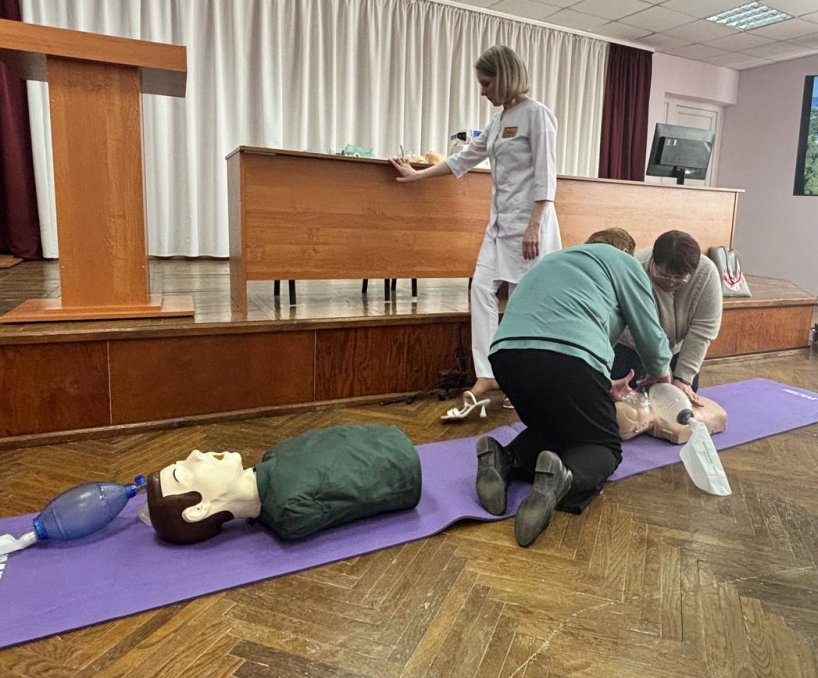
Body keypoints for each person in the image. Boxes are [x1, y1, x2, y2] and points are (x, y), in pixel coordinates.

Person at [389, 44, 560, 422]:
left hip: (529, 226)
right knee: (481, 288)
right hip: (499, 226)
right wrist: (418, 175)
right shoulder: (499, 121)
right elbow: (464, 158)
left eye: (486, 83)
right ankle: (488, 373)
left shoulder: (537, 115)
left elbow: (547, 176)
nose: (482, 91)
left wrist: (535, 225)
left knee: (522, 304)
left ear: (506, 77)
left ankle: (523, 379)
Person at [474, 233, 674, 547]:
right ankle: (562, 478)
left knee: (557, 428)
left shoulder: (553, 260)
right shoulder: (624, 262)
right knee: (604, 447)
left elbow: (556, 322)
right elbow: (648, 330)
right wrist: (663, 377)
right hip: (570, 357)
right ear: (624, 251)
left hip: (506, 356)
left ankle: (503, 458)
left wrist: (602, 385)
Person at [145, 425, 421, 544]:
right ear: (199, 510)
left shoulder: (275, 455)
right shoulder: (289, 511)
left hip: (389, 440)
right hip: (404, 466)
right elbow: (358, 498)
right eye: (183, 474)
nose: (194, 454)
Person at [612, 230, 722, 407]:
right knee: (628, 398)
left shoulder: (706, 273)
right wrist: (660, 368)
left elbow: (703, 330)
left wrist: (683, 378)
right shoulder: (635, 267)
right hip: (633, 344)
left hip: (677, 346)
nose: (670, 282)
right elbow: (635, 327)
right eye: (663, 275)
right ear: (653, 262)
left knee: (682, 396)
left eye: (679, 278)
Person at [615, 382, 728, 444]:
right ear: (639, 427)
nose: (636, 400)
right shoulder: (675, 426)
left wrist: (682, 378)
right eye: (636, 408)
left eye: (629, 401)